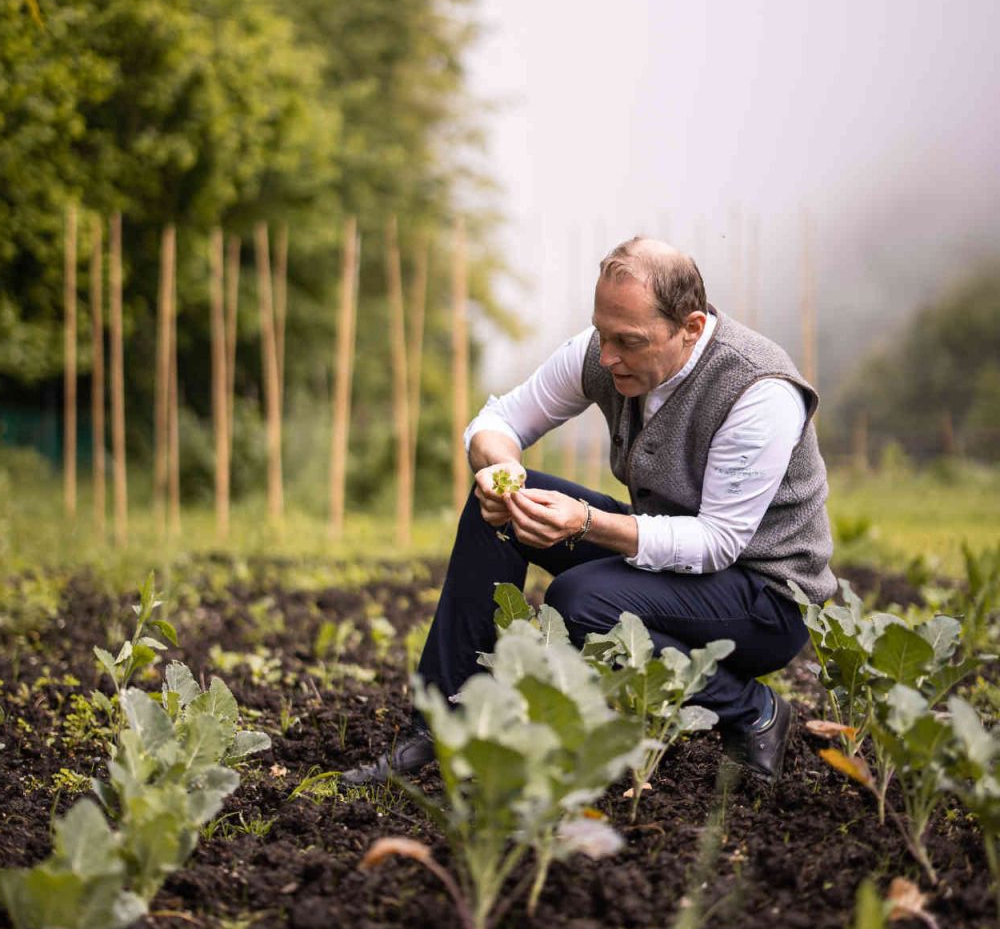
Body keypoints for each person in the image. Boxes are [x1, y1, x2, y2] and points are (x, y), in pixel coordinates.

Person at [342, 236, 835, 786]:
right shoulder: (606, 352)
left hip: (765, 598)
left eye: (629, 341)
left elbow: (717, 542)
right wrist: (501, 473)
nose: (607, 357)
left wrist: (587, 522)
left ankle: (752, 710)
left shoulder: (757, 390)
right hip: (674, 564)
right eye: (602, 333)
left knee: (581, 604)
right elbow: (499, 421)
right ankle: (441, 725)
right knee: (496, 513)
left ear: (691, 328)